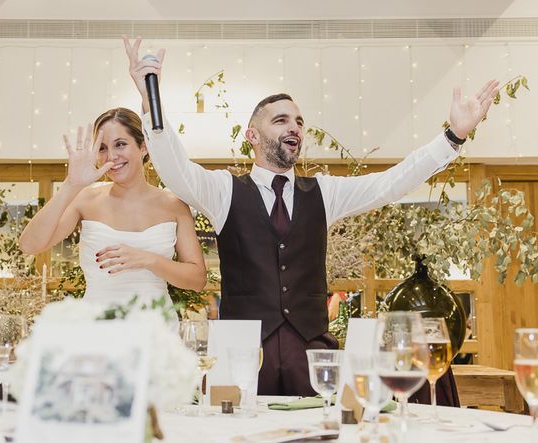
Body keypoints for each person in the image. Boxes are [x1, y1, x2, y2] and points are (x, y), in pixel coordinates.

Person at [124, 37, 499, 396]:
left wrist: (452, 137)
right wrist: (149, 98)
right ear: (252, 136)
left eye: (300, 122)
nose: (295, 128)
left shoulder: (324, 192)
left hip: (312, 354)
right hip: (242, 354)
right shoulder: (224, 191)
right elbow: (175, 169)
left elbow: (391, 184)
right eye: (282, 120)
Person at [19, 108, 206, 306]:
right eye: (102, 148)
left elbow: (197, 280)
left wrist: (149, 260)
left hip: (155, 328)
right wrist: (71, 185)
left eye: (120, 144)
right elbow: (29, 245)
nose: (111, 156)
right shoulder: (86, 199)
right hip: (97, 326)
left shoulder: (174, 205)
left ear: (143, 146)